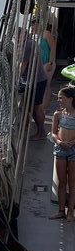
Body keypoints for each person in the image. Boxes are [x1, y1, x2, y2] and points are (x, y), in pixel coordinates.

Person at [49, 86, 75, 221]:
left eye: (61, 98)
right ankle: (61, 211)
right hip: (60, 149)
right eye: (58, 98)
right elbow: (53, 133)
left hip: (73, 150)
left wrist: (72, 142)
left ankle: (70, 211)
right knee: (62, 182)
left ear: (70, 99)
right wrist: (59, 142)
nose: (59, 100)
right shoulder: (57, 114)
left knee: (72, 183)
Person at [21, 29, 48, 140]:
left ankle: (41, 133)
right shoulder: (32, 42)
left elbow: (23, 65)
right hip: (38, 79)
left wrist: (16, 78)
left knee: (36, 107)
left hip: (36, 80)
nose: (16, 38)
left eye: (18, 36)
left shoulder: (27, 45)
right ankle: (40, 131)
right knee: (34, 107)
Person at [40, 23, 57, 113]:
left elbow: (53, 47)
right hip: (41, 64)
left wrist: (50, 62)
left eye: (34, 24)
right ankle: (41, 106)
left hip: (48, 63)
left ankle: (45, 107)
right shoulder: (36, 35)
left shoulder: (46, 33)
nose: (32, 26)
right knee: (42, 85)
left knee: (46, 85)